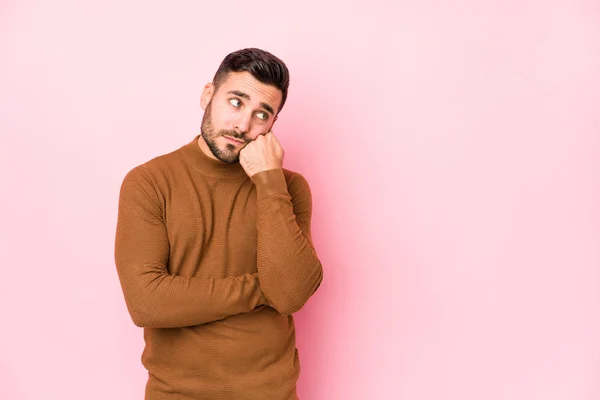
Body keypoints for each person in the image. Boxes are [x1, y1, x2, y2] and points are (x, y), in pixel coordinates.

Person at [114, 47, 323, 399]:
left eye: (262, 114)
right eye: (236, 102)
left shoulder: (287, 187)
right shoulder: (148, 182)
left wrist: (269, 180)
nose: (243, 125)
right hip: (177, 393)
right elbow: (146, 302)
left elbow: (290, 295)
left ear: (272, 125)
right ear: (208, 95)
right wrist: (262, 289)